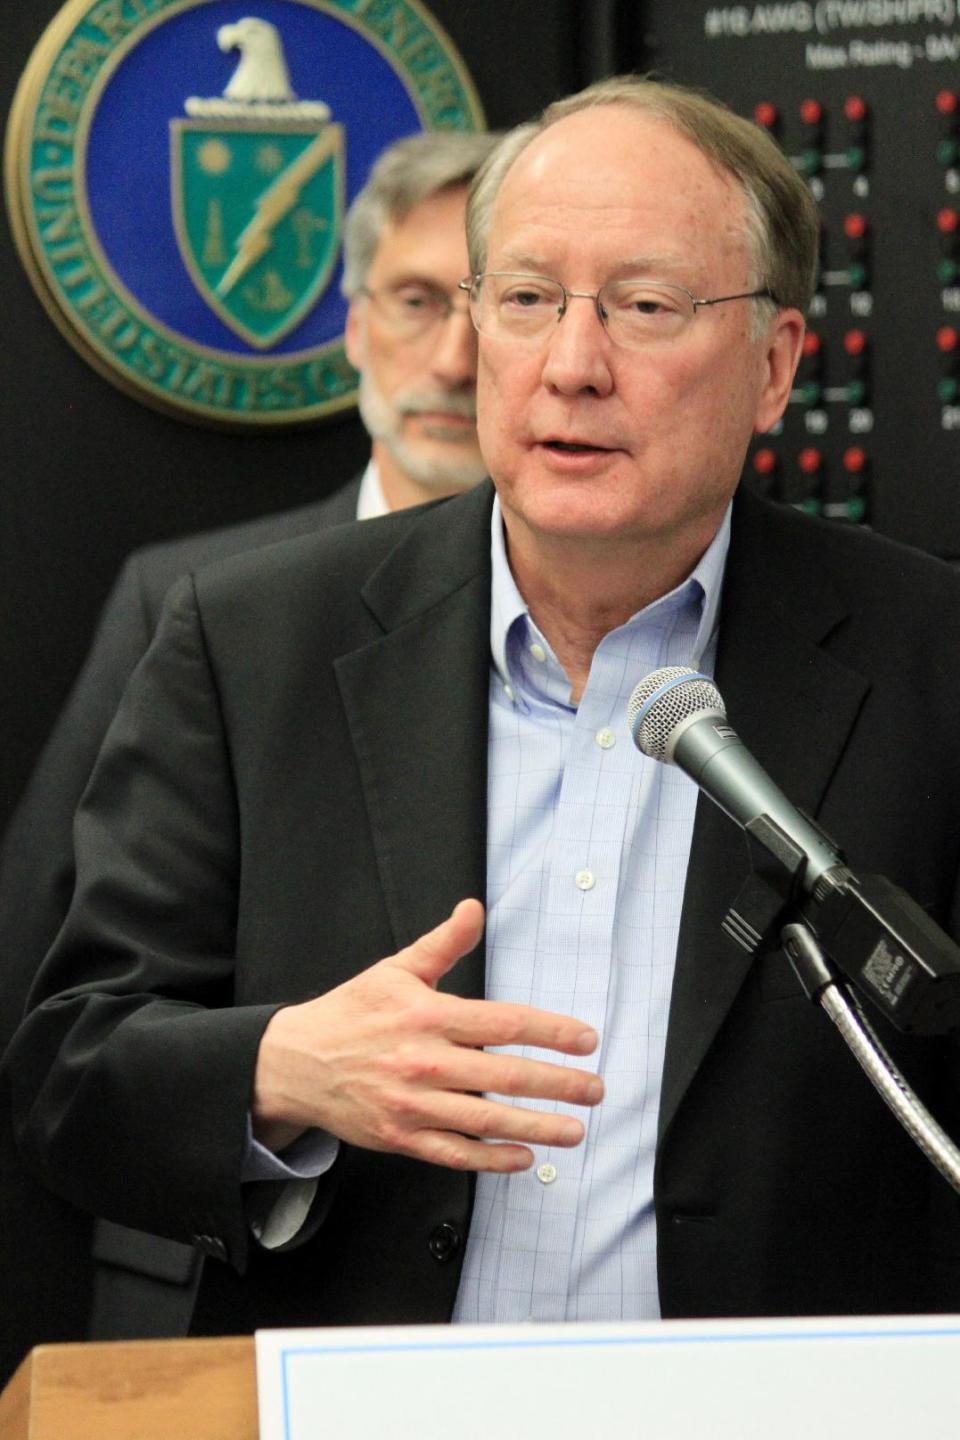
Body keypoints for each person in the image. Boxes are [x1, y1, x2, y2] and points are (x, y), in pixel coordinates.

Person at [7, 76, 960, 1342]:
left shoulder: (930, 659)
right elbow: (71, 1073)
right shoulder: (252, 640)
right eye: (525, 300)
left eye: (645, 307)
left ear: (775, 365)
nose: (571, 366)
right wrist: (285, 1070)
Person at [0, 127, 497, 1381]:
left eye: (493, 304)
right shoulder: (199, 601)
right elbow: (50, 982)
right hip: (214, 1291)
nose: (451, 355)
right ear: (351, 324)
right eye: (415, 299)